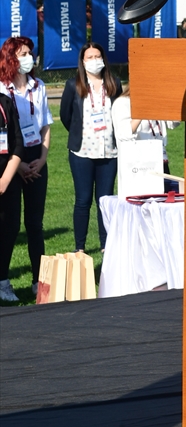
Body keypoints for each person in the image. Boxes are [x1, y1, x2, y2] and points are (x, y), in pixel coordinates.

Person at [0, 37, 52, 298]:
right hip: (9, 159)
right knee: (10, 223)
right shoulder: (1, 89)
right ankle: (3, 282)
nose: (29, 57)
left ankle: (38, 281)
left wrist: (41, 160)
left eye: (30, 53)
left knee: (35, 223)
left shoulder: (38, 86)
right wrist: (17, 167)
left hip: (35, 157)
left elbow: (46, 127)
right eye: (23, 53)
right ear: (10, 57)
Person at [60, 43, 122, 253]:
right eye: (90, 57)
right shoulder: (73, 85)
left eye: (98, 56)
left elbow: (120, 113)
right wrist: (80, 133)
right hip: (82, 152)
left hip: (109, 152)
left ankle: (106, 244)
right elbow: (66, 117)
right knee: (83, 199)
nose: (95, 60)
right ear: (83, 61)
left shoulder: (114, 84)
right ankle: (80, 247)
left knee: (105, 199)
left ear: (103, 59)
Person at [111, 87, 177, 172]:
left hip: (159, 159)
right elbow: (124, 134)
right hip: (138, 164)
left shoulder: (156, 99)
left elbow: (173, 123)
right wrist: (143, 110)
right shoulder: (123, 102)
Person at [0, 89, 24, 302]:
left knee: (10, 227)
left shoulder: (6, 103)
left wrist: (5, 180)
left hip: (7, 179)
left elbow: (17, 143)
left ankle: (2, 280)